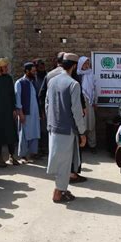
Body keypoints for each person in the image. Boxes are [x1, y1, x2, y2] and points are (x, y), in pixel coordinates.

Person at [46, 53, 86, 203]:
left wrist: (49, 124)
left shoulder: (52, 81)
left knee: (60, 161)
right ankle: (58, 193)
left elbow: (47, 105)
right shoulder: (73, 84)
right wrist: (82, 132)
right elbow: (77, 111)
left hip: (53, 127)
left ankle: (62, 188)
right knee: (64, 162)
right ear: (74, 66)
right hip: (67, 129)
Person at [15, 62, 41, 163]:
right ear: (27, 71)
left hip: (34, 113)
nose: (34, 73)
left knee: (34, 132)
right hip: (25, 113)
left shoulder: (33, 82)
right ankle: (23, 155)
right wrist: (20, 113)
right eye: (33, 71)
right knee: (24, 134)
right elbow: (18, 99)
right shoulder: (20, 83)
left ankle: (32, 153)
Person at [77, 56, 98, 153]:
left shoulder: (91, 74)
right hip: (78, 102)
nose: (87, 65)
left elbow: (95, 88)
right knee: (80, 124)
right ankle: (80, 144)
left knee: (91, 123)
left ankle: (92, 145)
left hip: (89, 102)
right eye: (85, 63)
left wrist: (95, 101)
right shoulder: (77, 75)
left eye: (88, 63)